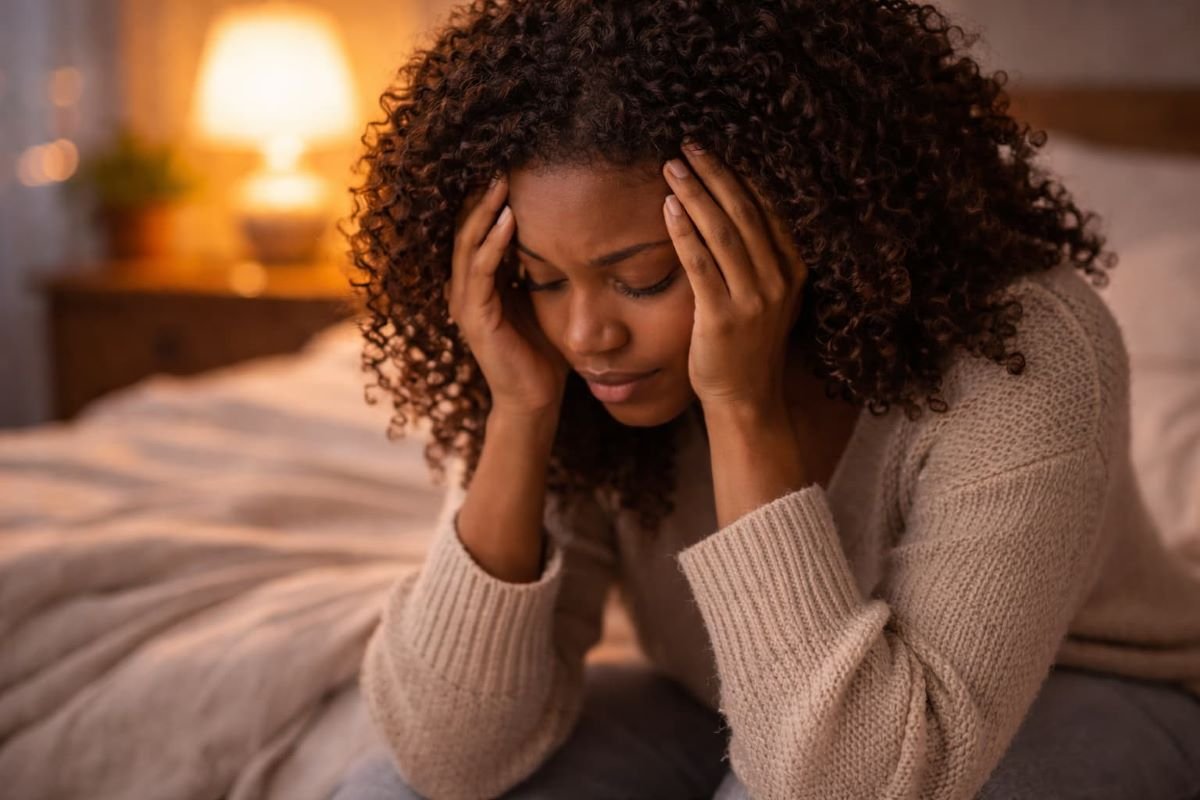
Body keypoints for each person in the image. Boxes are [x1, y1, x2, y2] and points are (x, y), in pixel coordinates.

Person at [333, 0, 1200, 797]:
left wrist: (741, 407)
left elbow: (849, 783)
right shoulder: (558, 358)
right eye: (542, 279)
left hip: (1082, 691)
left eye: (643, 278)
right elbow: (447, 756)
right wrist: (520, 416)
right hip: (738, 706)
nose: (585, 334)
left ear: (798, 219)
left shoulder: (1020, 350)